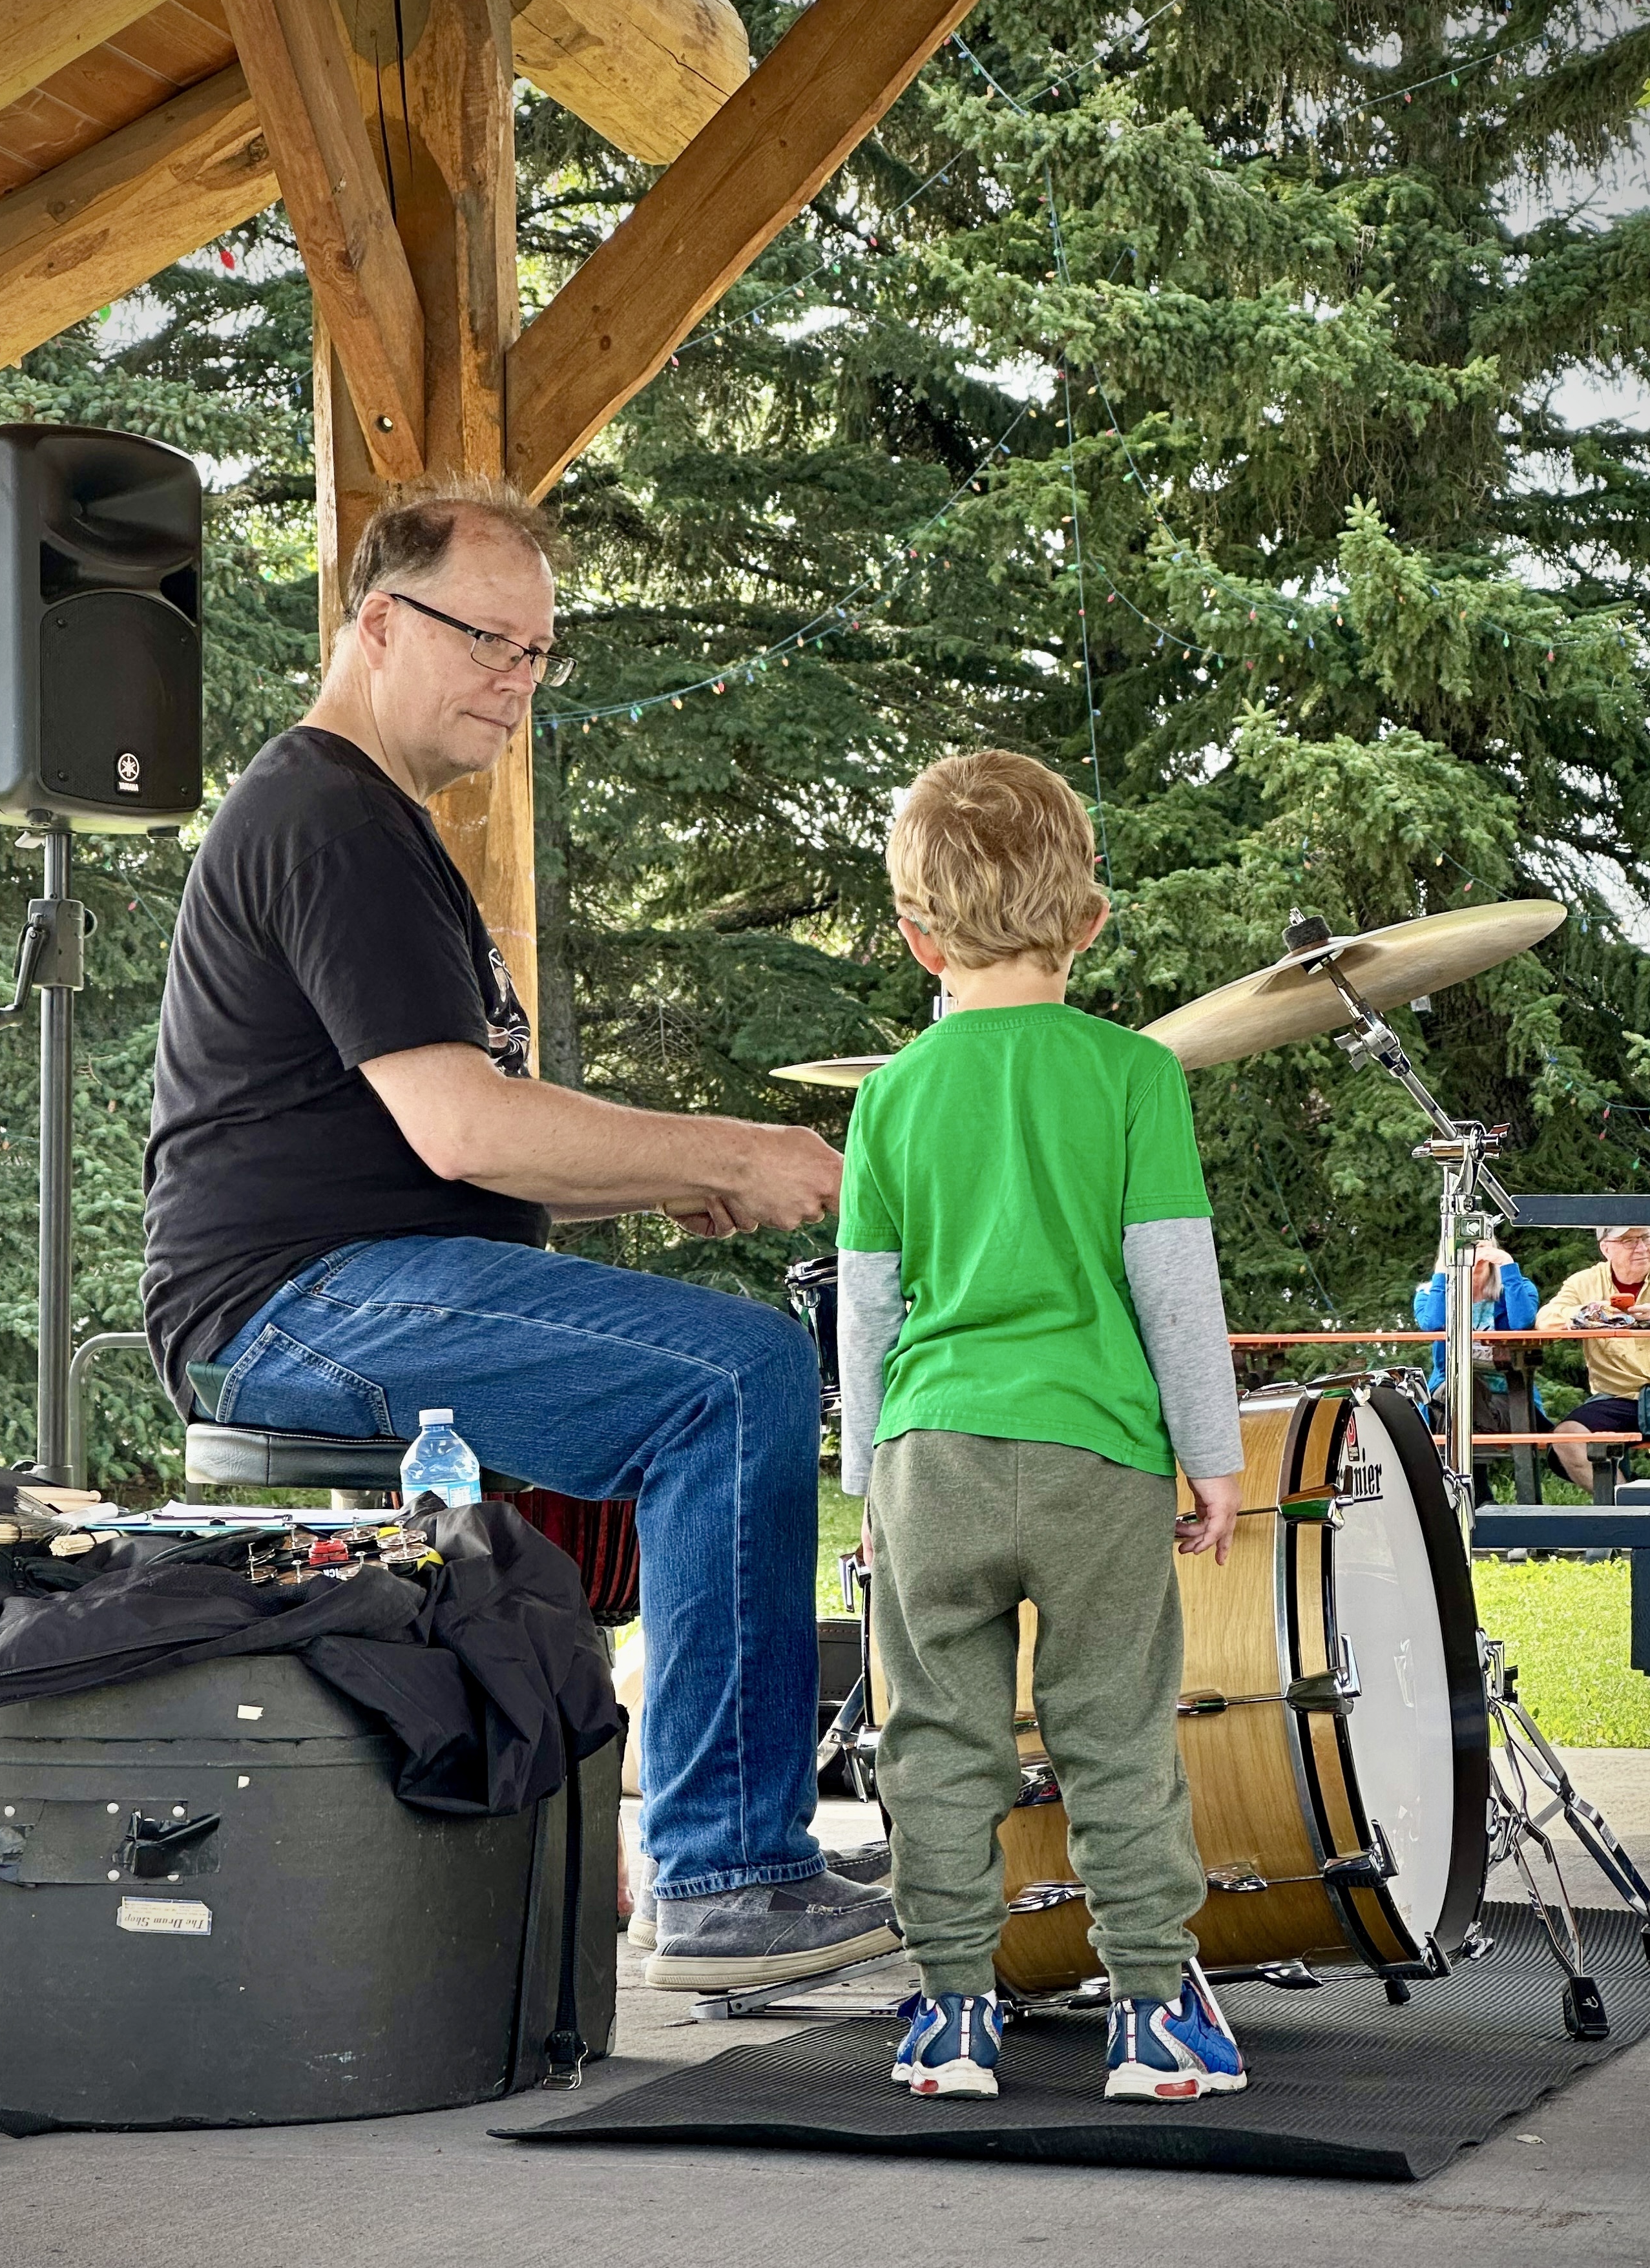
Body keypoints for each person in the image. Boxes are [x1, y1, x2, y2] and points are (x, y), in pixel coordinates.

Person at [142, 475, 899, 1992]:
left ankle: (709, 1842)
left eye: (539, 652)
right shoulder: (331, 813)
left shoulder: (376, 820)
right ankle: (725, 1872)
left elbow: (449, 1129)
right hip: (287, 1308)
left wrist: (652, 1175)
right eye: (488, 639)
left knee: (719, 1362)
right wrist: (732, 1145)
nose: (517, 679)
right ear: (375, 622)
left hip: (349, 1280)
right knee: (736, 1370)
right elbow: (464, 1130)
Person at [837, 749, 1248, 2104]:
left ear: (914, 938)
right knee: (1112, 1728)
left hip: (931, 1451)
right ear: (1090, 920)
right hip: (1095, 1452)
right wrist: (1213, 1457)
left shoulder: (887, 1095)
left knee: (937, 1738)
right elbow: (1173, 1288)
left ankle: (951, 2012)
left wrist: (865, 1471)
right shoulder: (1132, 1075)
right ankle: (1149, 2015)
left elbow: (868, 1307)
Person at [1536, 1225, 1650, 1490]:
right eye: (1628, 1241)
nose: (1642, 1247)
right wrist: (1590, 1313)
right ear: (1605, 1248)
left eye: (1646, 1237)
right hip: (1618, 1395)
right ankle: (1623, 1512)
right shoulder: (1584, 1282)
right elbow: (1545, 1320)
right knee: (1568, 1438)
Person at [1412, 1240, 1542, 1431]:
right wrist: (1442, 1271)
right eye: (1463, 1245)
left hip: (1508, 1395)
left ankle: (1462, 1456)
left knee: (1461, 1402)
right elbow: (1432, 1324)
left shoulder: (1517, 1286)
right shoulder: (1431, 1293)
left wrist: (1506, 1263)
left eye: (1479, 1243)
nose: (1472, 1251)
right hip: (1450, 1393)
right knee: (1462, 1386)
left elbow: (1522, 1323)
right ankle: (1474, 1448)